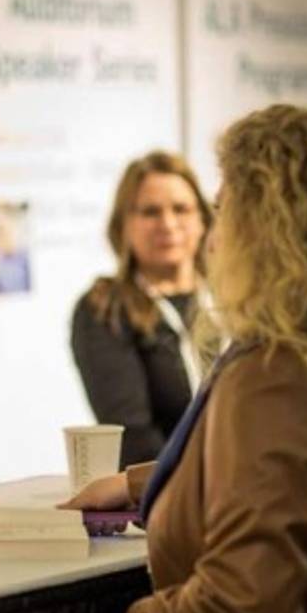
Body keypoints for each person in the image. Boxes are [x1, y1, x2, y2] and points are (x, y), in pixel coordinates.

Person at [64, 105, 307, 613]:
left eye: (219, 210)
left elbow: (241, 604)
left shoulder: (274, 372)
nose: (205, 232)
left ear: (270, 228)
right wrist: (140, 482)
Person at [70, 151, 214, 467]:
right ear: (123, 225)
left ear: (203, 219)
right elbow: (133, 436)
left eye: (181, 209)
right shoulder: (104, 310)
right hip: (163, 496)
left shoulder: (231, 301)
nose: (168, 223)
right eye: (150, 212)